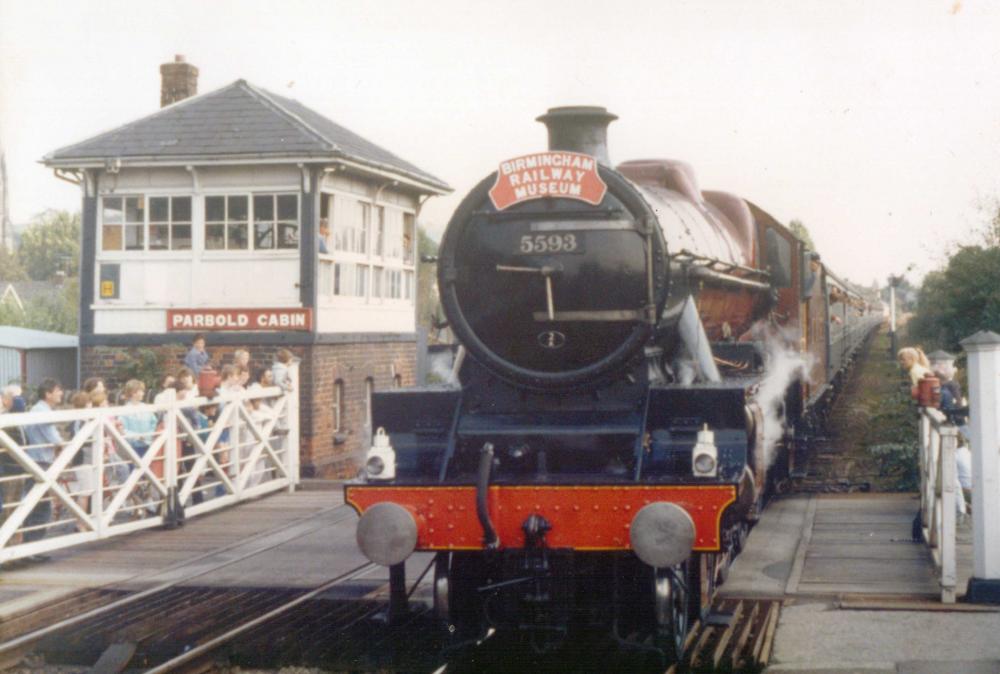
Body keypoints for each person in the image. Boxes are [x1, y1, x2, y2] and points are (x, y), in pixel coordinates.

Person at [21, 378, 65, 556]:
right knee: (41, 507)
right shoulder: (43, 412)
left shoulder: (36, 409)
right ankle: (32, 548)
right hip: (40, 462)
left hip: (35, 461)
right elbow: (56, 439)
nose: (61, 393)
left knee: (35, 504)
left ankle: (30, 547)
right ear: (48, 394)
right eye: (58, 390)